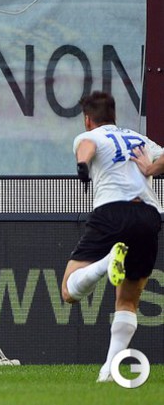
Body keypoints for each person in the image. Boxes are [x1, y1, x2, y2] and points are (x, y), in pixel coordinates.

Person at [60, 91, 162, 383]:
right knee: (128, 301)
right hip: (148, 216)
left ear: (88, 119)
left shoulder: (90, 135)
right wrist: (151, 168)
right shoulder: (139, 139)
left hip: (111, 213)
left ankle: (106, 263)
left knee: (68, 291)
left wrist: (82, 166)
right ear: (114, 115)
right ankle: (108, 372)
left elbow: (87, 147)